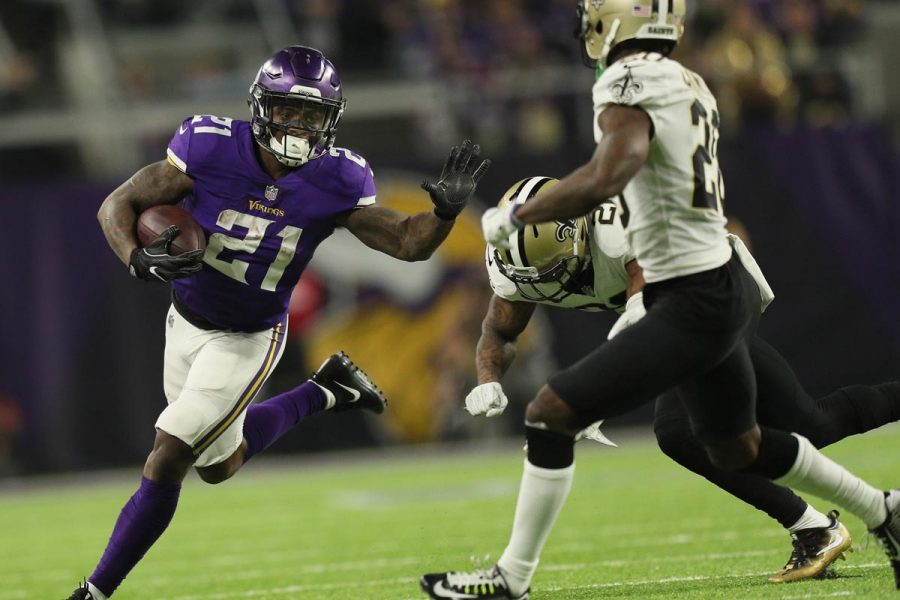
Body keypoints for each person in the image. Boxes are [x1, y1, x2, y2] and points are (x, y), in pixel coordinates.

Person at [423, 0, 899, 595]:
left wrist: (520, 214)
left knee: (566, 415)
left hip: (692, 287)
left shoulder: (625, 92)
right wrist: (488, 377)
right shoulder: (685, 79)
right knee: (780, 431)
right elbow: (498, 329)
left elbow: (611, 188)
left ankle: (510, 579)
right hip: (698, 285)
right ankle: (872, 513)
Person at [67, 45, 490, 600]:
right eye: (288, 111)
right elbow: (116, 205)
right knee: (218, 467)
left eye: (311, 116)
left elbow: (409, 244)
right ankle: (325, 391)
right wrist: (135, 257)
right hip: (186, 321)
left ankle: (94, 592)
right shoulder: (208, 146)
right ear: (262, 107)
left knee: (169, 450)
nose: (298, 126)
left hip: (249, 337)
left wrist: (442, 215)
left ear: (330, 121)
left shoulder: (338, 178)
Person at [421, 177, 899, 599]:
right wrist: (487, 379)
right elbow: (500, 331)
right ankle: (838, 523)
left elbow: (649, 318)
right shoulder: (515, 254)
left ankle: (814, 528)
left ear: (578, 234)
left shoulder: (619, 228)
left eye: (549, 271)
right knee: (808, 424)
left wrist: (596, 394)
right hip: (668, 311)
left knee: (677, 430)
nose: (541, 285)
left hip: (712, 285)